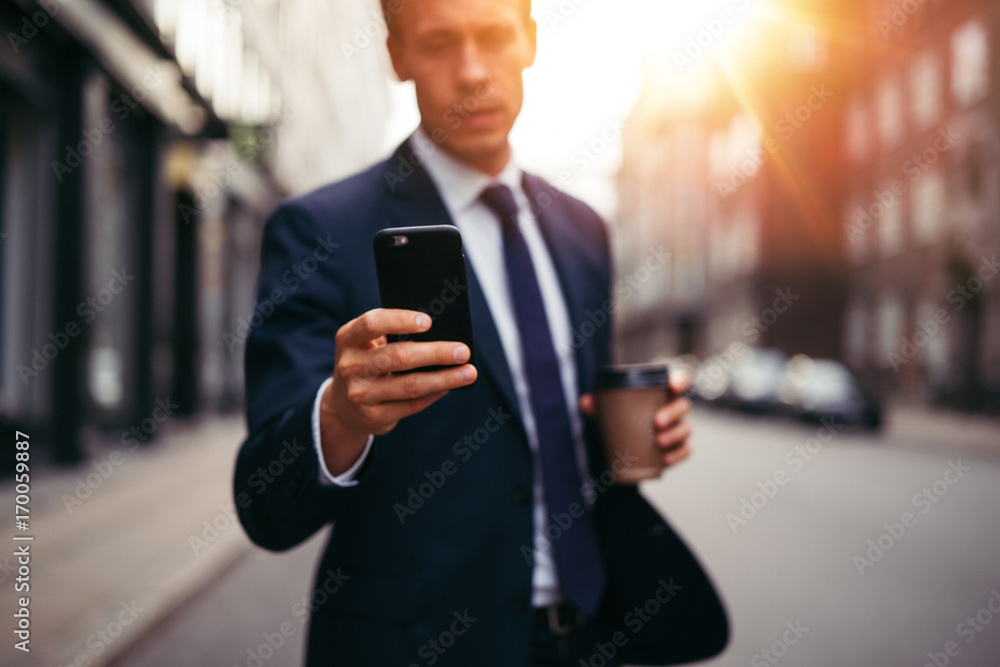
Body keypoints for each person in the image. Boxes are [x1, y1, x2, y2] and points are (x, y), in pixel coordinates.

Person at [234, 0, 728, 664]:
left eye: (493, 36)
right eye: (439, 44)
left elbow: (562, 424)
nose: (471, 72)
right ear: (397, 56)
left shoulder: (584, 231)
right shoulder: (321, 231)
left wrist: (638, 433)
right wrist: (340, 414)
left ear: (528, 39)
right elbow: (266, 500)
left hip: (591, 632)